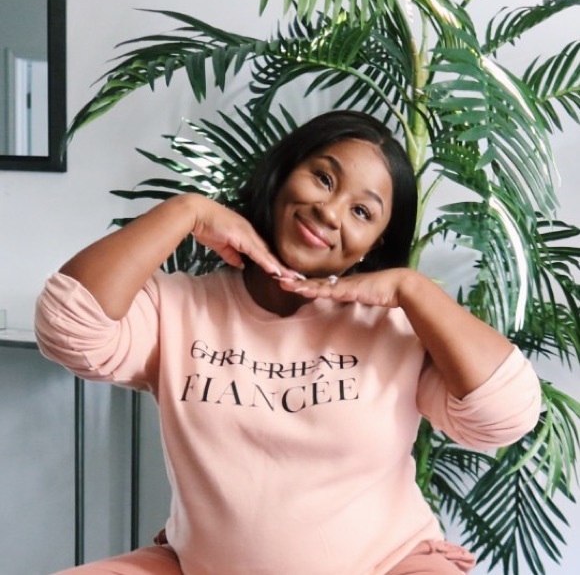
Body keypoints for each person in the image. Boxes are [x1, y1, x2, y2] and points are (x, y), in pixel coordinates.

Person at [35, 110, 541, 574]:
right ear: (281, 174)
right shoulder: (180, 306)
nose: (330, 212)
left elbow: (506, 416)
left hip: (386, 566)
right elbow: (67, 326)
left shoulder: (394, 327)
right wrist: (187, 212)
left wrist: (413, 289)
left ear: (375, 245)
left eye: (362, 212)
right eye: (323, 179)